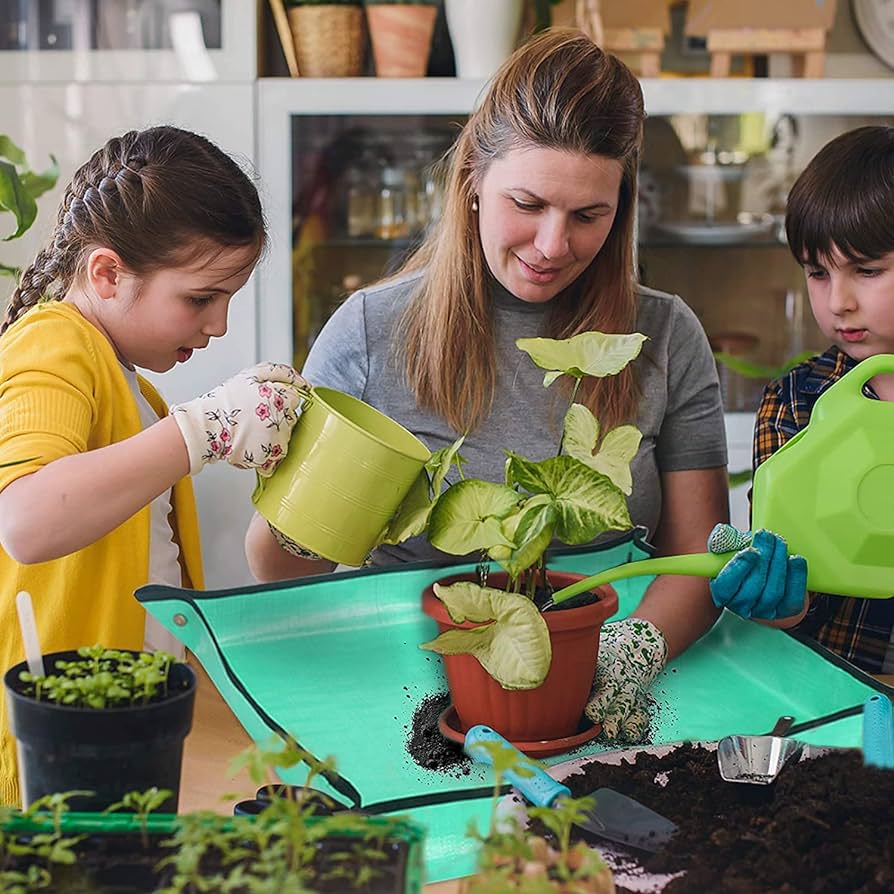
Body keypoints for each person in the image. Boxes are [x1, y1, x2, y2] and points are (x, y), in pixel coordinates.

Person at [245, 29, 805, 741]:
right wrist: (280, 477)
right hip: (409, 692)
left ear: (622, 207)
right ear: (473, 180)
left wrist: (620, 658)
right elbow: (277, 572)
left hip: (607, 690)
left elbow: (691, 563)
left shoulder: (663, 336)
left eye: (587, 216)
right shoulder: (370, 330)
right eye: (528, 203)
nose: (551, 245)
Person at [0, 125, 306, 804]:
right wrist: (204, 428)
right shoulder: (53, 342)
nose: (219, 324)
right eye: (201, 298)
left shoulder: (134, 387)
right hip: (56, 749)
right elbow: (24, 517)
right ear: (106, 273)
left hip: (115, 733)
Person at [746, 124, 894, 673]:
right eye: (817, 272)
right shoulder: (794, 403)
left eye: (868, 270)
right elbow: (792, 593)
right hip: (834, 688)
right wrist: (777, 602)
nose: (839, 302)